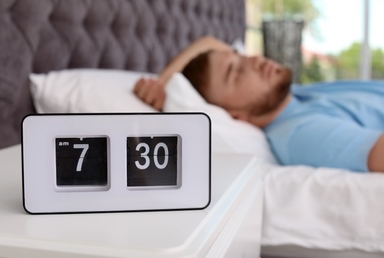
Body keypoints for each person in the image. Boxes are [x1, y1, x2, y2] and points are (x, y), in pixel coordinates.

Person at [134, 36, 384, 173]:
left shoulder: (294, 97)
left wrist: (162, 81)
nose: (254, 60)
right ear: (235, 115)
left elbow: (208, 42)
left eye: (242, 57)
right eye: (237, 73)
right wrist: (165, 91)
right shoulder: (299, 133)